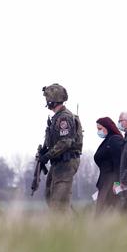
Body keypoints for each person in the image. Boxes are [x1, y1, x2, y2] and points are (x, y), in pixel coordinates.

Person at [38, 83, 83, 211]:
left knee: (59, 202)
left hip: (66, 162)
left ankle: (70, 222)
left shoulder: (64, 118)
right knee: (51, 196)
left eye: (48, 98)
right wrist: (44, 152)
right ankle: (74, 220)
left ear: (53, 100)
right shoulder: (57, 117)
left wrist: (47, 156)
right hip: (58, 162)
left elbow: (65, 142)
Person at [93, 117, 124, 212]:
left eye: (100, 128)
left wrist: (117, 183)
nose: (98, 131)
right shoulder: (108, 140)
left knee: (104, 211)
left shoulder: (115, 140)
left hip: (111, 182)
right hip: (105, 181)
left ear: (107, 127)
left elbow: (119, 163)